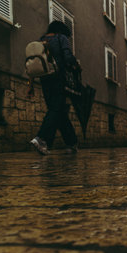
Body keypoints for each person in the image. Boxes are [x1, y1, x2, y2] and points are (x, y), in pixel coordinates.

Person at [29, 21, 81, 155]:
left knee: (60, 111)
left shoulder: (41, 40)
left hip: (44, 79)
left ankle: (71, 143)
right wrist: (76, 66)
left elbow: (34, 64)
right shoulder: (61, 38)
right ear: (61, 31)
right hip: (58, 78)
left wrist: (31, 85)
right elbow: (68, 57)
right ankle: (41, 138)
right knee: (56, 109)